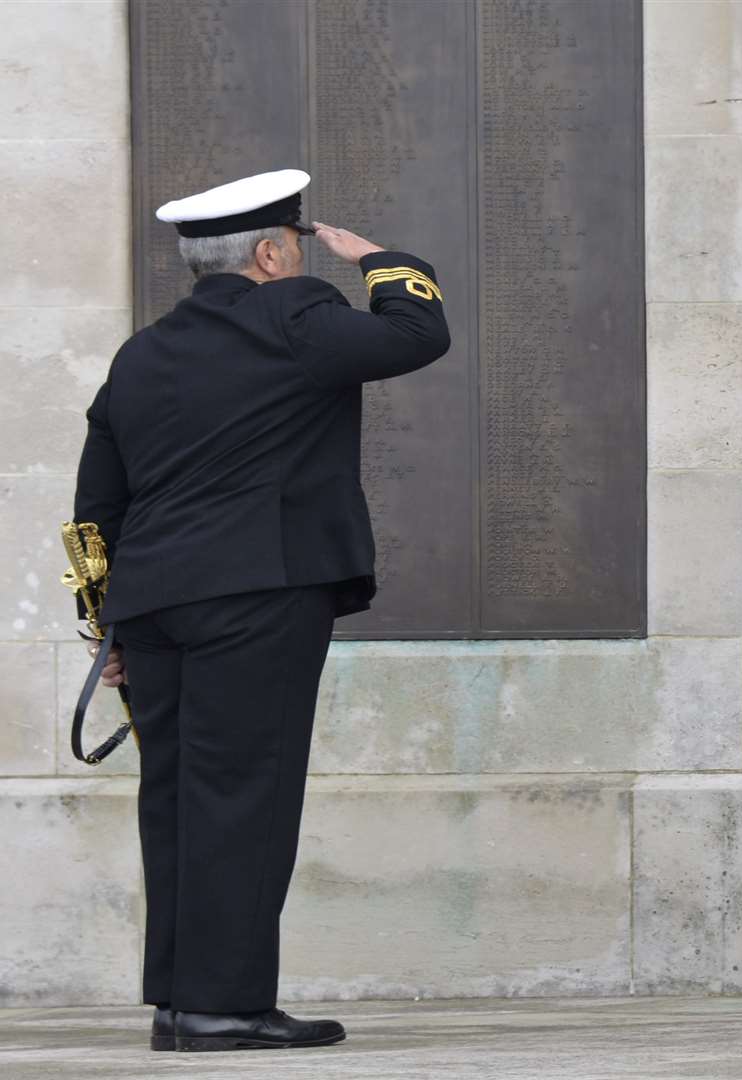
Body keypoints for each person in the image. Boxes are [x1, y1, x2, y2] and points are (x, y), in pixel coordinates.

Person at [75, 168, 451, 1052]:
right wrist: (382, 260)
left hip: (156, 607)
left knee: (174, 798)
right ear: (273, 252)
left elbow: (97, 507)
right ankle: (225, 1008)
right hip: (257, 595)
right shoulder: (295, 312)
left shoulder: (143, 352)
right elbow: (416, 334)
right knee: (244, 795)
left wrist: (110, 626)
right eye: (293, 244)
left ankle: (180, 1001)